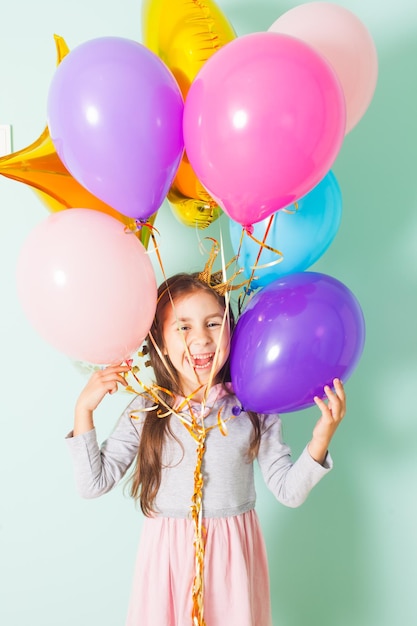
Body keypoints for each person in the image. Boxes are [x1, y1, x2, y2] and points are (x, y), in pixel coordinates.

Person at [66, 271, 346, 626]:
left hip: (231, 560)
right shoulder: (147, 408)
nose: (201, 339)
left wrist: (322, 435)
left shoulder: (253, 406)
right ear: (160, 342)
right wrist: (84, 410)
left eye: (213, 324)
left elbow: (289, 492)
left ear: (231, 332)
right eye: (183, 327)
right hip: (167, 560)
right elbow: (93, 483)